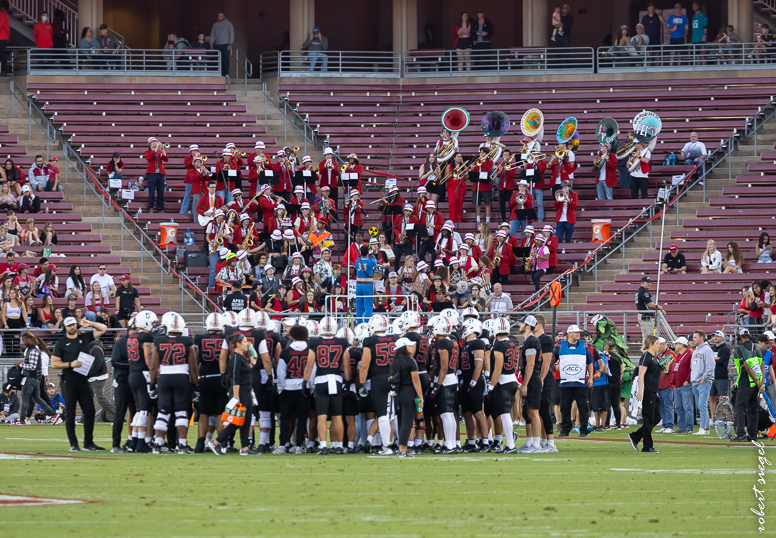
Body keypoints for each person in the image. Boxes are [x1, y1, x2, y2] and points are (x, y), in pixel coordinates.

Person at [50, 316, 107, 451]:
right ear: (65, 327)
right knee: (70, 412)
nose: (72, 327)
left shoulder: (84, 338)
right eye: (69, 325)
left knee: (90, 411)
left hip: (83, 380)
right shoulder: (61, 343)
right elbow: (54, 363)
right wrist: (71, 364)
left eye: (74, 324)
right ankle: (73, 444)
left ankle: (88, 443)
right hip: (68, 380)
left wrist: (90, 323)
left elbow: (103, 328)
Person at [149, 313, 198, 454]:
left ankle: (158, 444)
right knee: (181, 412)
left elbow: (153, 366)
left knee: (163, 411)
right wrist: (195, 384)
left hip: (164, 377)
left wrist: (152, 384)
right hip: (181, 377)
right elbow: (193, 367)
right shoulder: (186, 341)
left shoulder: (159, 341)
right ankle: (182, 445)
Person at [303, 317, 351, 455]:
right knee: (337, 416)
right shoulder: (342, 342)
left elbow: (309, 365)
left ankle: (324, 446)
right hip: (336, 380)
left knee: (321, 416)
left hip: (321, 381)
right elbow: (346, 365)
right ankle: (339, 446)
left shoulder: (315, 342)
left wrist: (305, 382)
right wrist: (347, 381)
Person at [211, 333, 257, 455]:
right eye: (244, 342)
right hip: (239, 391)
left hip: (245, 390)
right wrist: (236, 397)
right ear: (237, 344)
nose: (247, 344)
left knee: (246, 419)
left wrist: (252, 363)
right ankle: (216, 442)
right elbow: (235, 378)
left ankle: (245, 447)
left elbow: (243, 374)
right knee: (237, 420)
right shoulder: (235, 358)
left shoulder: (241, 357)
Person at [389, 337, 423, 458]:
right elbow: (416, 380)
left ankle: (402, 447)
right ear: (404, 347)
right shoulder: (410, 361)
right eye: (409, 346)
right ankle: (402, 449)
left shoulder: (395, 361)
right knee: (407, 421)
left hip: (398, 392)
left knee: (400, 420)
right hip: (408, 391)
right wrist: (421, 397)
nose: (412, 347)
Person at [627, 335, 662, 453]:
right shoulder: (646, 356)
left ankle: (635, 436)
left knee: (657, 417)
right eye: (657, 343)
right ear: (651, 344)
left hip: (653, 390)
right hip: (647, 391)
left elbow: (654, 374)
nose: (659, 345)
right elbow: (641, 374)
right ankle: (647, 446)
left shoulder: (655, 358)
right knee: (649, 419)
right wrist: (640, 390)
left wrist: (665, 369)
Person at [15, 333, 58, 423]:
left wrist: (20, 365)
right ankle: (53, 414)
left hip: (31, 378)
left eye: (25, 340)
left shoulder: (33, 351)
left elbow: (32, 367)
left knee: (25, 398)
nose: (24, 342)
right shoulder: (32, 350)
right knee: (37, 398)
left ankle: (22, 420)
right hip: (36, 378)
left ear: (30, 339)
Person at [732, 334, 767, 442]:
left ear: (741, 338)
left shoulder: (740, 348)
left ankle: (741, 434)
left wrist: (756, 380)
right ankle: (752, 436)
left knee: (739, 408)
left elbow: (746, 365)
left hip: (746, 382)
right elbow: (762, 364)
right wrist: (761, 383)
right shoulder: (756, 347)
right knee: (753, 410)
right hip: (757, 384)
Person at [689, 330, 714, 435]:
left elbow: (711, 366)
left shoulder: (707, 350)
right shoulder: (696, 351)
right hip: (695, 381)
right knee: (700, 405)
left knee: (702, 405)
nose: (693, 339)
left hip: (703, 381)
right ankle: (706, 428)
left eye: (695, 337)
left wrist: (704, 378)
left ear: (701, 338)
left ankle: (703, 428)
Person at [709, 329, 731, 419]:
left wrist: (713, 360)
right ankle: (713, 418)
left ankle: (725, 417)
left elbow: (722, 360)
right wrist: (716, 359)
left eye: (717, 336)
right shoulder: (712, 348)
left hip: (721, 377)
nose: (715, 338)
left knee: (723, 398)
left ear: (722, 338)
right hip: (712, 376)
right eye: (714, 336)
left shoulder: (725, 349)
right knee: (712, 398)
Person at [209, 10, 234, 77]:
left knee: (225, 58)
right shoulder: (215, 25)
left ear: (224, 16)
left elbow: (232, 33)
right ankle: (220, 73)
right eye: (218, 16)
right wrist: (211, 44)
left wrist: (230, 44)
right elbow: (213, 34)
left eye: (221, 16)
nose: (219, 17)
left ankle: (226, 73)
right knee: (219, 59)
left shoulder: (229, 23)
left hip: (226, 44)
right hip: (218, 44)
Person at [0, 2, 8, 76]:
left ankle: (3, 70)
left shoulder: (3, 15)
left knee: (2, 54)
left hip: (1, 37)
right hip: (2, 37)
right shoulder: (4, 15)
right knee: (2, 54)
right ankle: (3, 70)